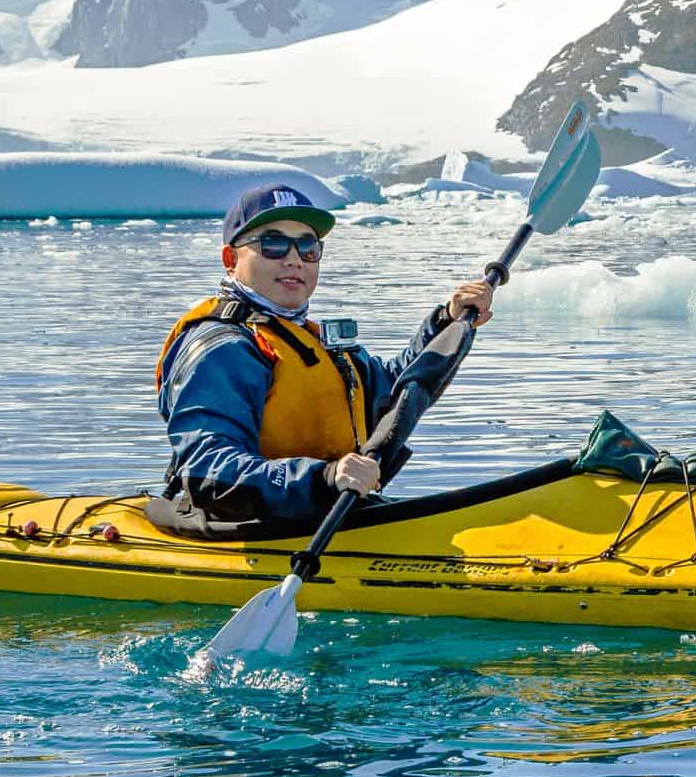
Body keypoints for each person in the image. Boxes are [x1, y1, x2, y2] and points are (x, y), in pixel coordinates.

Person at [155, 183, 495, 525]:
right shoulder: (222, 348)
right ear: (231, 259)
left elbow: (396, 389)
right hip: (249, 529)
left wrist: (448, 321)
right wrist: (325, 478)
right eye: (272, 244)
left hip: (329, 518)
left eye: (307, 247)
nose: (293, 259)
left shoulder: (309, 339)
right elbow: (208, 472)